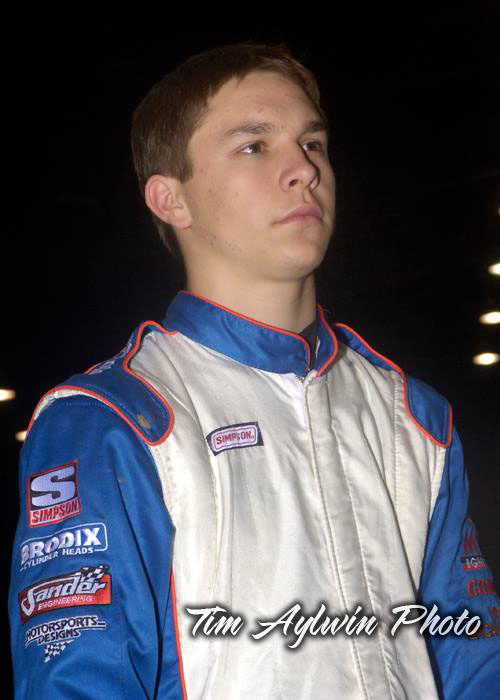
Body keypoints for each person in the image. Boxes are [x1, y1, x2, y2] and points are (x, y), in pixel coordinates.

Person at [9, 41, 499, 699]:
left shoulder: (416, 417)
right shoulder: (113, 417)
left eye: (313, 144)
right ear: (170, 199)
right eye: (254, 146)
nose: (303, 169)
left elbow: (473, 663)